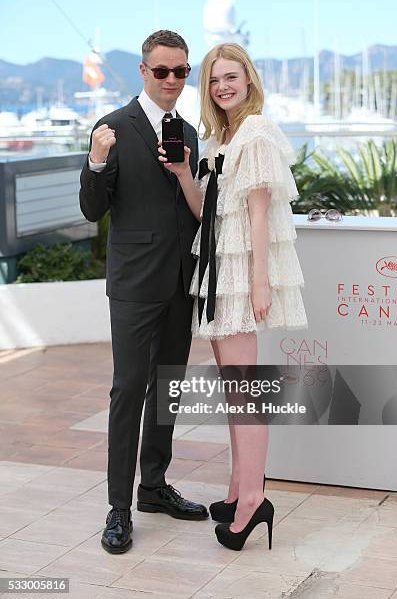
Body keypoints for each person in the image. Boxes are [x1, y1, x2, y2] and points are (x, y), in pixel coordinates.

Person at [159, 42, 308, 551]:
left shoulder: (257, 132)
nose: (223, 86)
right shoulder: (223, 137)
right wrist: (183, 175)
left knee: (246, 395)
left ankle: (253, 501)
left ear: (248, 79)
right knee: (234, 393)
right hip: (221, 274)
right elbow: (213, 218)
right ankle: (238, 489)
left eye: (231, 77)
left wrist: (260, 282)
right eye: (215, 80)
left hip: (242, 278)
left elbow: (260, 215)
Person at [79, 30, 208, 555]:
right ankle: (118, 508)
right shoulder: (111, 127)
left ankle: (153, 488)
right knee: (128, 391)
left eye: (182, 71)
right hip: (134, 285)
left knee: (167, 390)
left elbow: (190, 207)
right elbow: (92, 210)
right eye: (162, 71)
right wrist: (94, 160)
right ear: (142, 70)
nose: (173, 81)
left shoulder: (190, 132)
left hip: (180, 283)